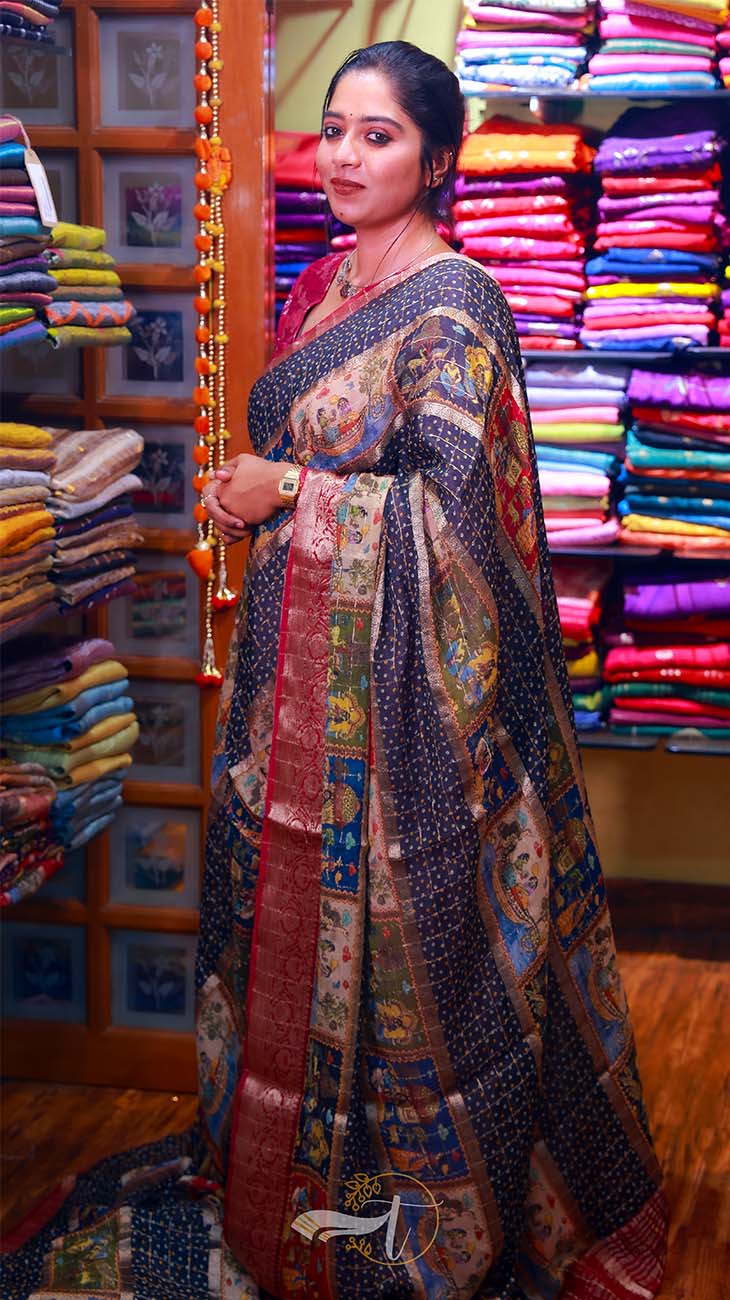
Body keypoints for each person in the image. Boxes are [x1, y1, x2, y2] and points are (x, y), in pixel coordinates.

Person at [2, 40, 668, 1300]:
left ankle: (405, 1226)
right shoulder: (331, 286)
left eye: (380, 136)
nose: (346, 158)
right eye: (337, 130)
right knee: (277, 935)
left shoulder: (457, 308)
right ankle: (278, 1186)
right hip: (296, 695)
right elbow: (331, 462)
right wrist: (258, 495)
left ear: (437, 158)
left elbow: (456, 529)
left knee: (412, 970)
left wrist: (290, 495)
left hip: (409, 727)